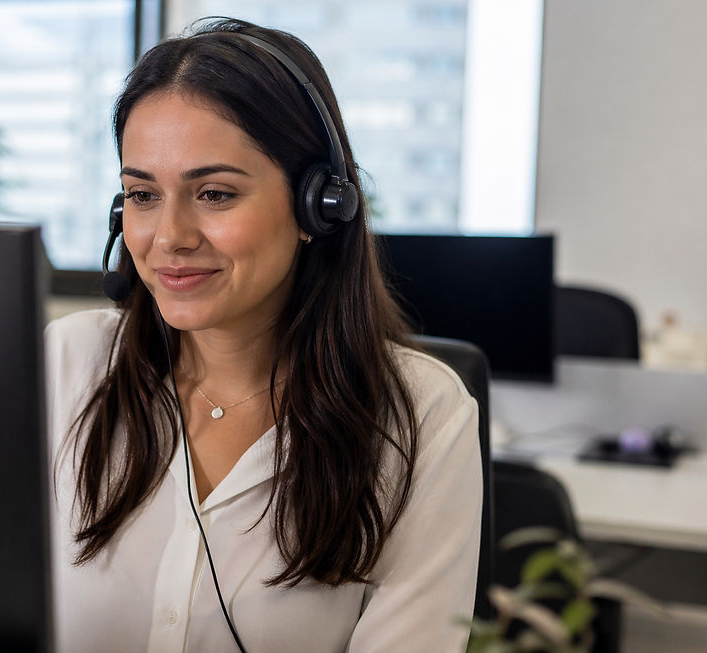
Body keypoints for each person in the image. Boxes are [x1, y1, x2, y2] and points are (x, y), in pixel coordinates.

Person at [45, 17, 482, 652]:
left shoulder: (421, 417)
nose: (169, 236)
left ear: (318, 207)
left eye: (215, 193)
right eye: (141, 194)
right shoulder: (66, 366)